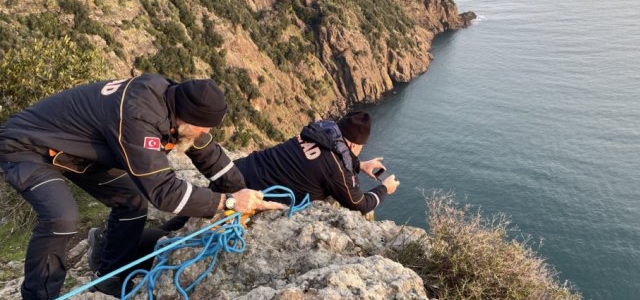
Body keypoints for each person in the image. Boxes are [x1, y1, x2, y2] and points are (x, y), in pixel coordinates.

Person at [0, 73, 282, 299]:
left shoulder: (176, 105)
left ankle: (109, 276)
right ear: (188, 118)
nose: (205, 133)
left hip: (76, 154)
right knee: (61, 216)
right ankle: (38, 295)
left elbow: (210, 155)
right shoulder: (139, 116)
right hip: (27, 146)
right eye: (204, 127)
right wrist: (228, 203)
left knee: (132, 200)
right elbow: (164, 192)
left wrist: (243, 194)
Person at [234, 110, 400, 214]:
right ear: (352, 145)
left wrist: (360, 165)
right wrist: (385, 188)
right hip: (243, 195)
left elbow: (326, 156)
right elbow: (360, 204)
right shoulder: (335, 170)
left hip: (236, 170)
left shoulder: (316, 132)